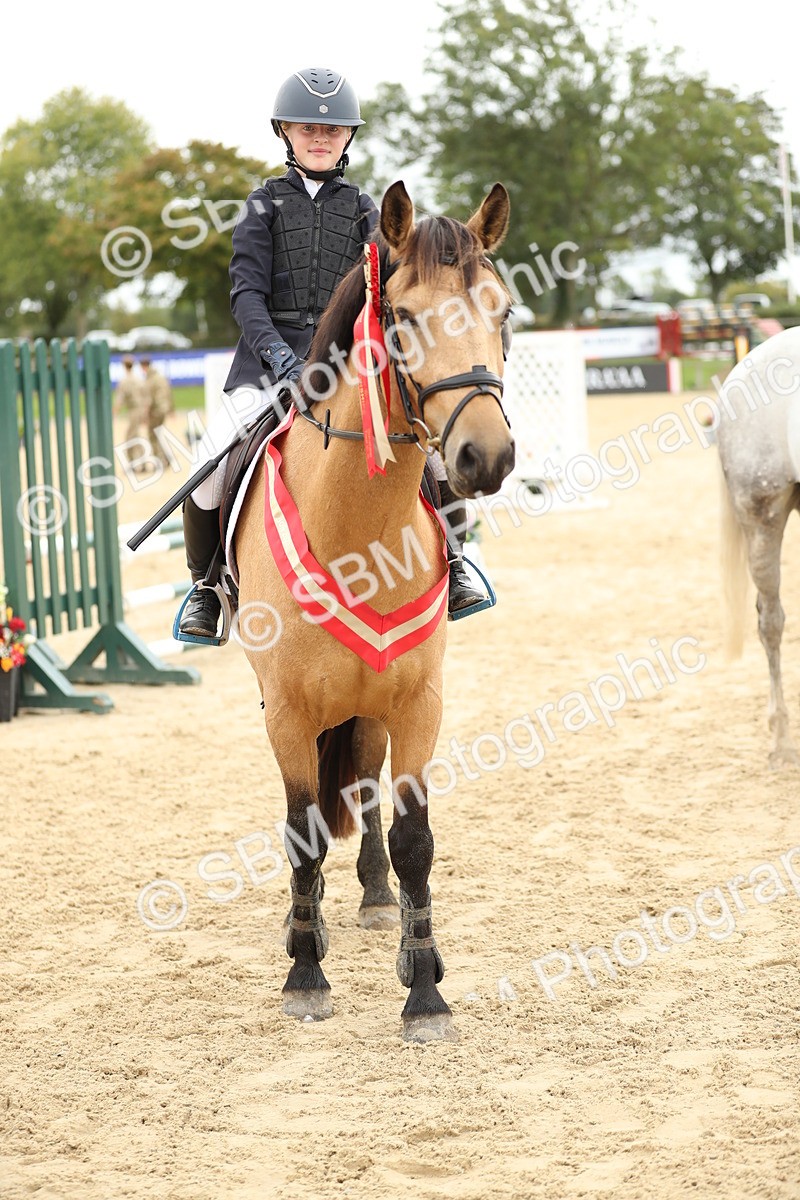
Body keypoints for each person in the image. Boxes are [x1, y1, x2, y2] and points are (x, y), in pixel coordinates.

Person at [178, 67, 485, 640]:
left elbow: (388, 291)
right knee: (210, 462)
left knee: (432, 449)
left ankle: (459, 562)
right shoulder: (260, 206)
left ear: (347, 138)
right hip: (268, 363)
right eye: (307, 129)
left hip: (348, 364)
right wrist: (280, 360)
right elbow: (246, 294)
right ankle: (206, 585)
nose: (320, 139)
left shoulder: (369, 211)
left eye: (333, 130)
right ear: (285, 133)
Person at [139, 356, 173, 466]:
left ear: (143, 366)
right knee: (159, 434)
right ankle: (166, 457)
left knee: (152, 436)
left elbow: (148, 400)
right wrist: (172, 408)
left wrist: (145, 415)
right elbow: (169, 393)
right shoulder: (160, 377)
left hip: (155, 411)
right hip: (163, 409)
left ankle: (159, 461)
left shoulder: (149, 380)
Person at [113, 355, 147, 443]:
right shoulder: (139, 379)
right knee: (135, 432)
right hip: (140, 408)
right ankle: (138, 453)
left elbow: (119, 399)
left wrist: (115, 412)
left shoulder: (124, 381)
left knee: (131, 434)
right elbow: (145, 395)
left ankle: (134, 455)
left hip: (133, 409)